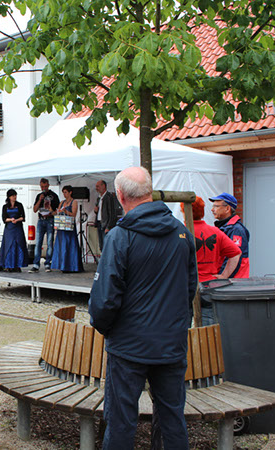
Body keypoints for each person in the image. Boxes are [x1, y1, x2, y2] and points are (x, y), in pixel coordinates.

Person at [89, 167, 197, 450]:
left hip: (129, 347)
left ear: (120, 195)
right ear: (150, 191)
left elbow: (104, 299)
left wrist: (108, 329)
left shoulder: (119, 237)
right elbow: (189, 290)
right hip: (170, 344)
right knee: (172, 419)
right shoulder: (182, 234)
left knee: (121, 422)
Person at [182, 197, 241, 325]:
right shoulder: (215, 231)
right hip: (209, 287)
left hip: (187, 286)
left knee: (185, 327)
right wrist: (224, 276)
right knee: (208, 328)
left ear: (184, 212)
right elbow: (236, 253)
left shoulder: (181, 233)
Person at [209, 192, 250, 278]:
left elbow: (234, 257)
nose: (212, 209)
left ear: (227, 209)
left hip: (233, 282)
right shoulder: (227, 228)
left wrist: (223, 277)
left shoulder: (236, 230)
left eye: (216, 206)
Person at [29, 178, 59, 273]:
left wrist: (51, 210)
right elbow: (34, 209)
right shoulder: (39, 195)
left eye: (45, 186)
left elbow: (58, 210)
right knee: (38, 243)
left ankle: (47, 263)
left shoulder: (54, 196)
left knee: (49, 243)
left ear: (48, 185)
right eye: (42, 187)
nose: (44, 188)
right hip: (41, 220)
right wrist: (40, 200)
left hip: (50, 219)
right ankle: (36, 264)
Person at [52, 185, 82, 273]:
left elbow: (74, 214)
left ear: (70, 192)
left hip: (69, 226)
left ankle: (71, 265)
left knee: (70, 245)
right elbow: (56, 212)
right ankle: (62, 265)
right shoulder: (62, 202)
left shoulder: (74, 202)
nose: (64, 194)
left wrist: (66, 211)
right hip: (62, 226)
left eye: (65, 192)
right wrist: (52, 210)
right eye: (63, 193)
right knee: (62, 245)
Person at [0, 189, 29, 272]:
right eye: (13, 196)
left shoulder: (19, 205)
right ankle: (9, 265)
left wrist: (17, 220)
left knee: (18, 244)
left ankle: (18, 264)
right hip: (9, 228)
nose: (14, 197)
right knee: (9, 245)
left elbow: (23, 217)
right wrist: (11, 220)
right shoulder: (5, 206)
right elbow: (4, 219)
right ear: (9, 197)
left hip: (18, 227)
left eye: (15, 195)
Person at [94, 179, 117, 251]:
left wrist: (108, 227)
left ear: (103, 186)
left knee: (106, 244)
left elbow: (112, 213)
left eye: (98, 186)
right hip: (100, 223)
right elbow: (100, 211)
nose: (96, 188)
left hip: (106, 224)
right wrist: (96, 211)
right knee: (101, 245)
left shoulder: (109, 197)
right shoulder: (99, 198)